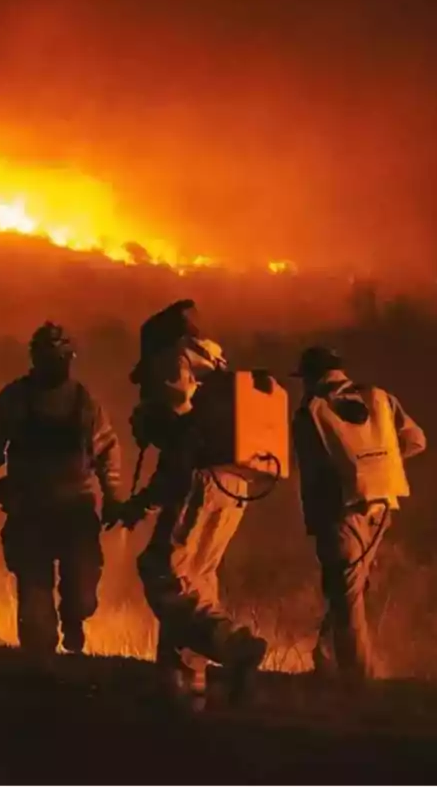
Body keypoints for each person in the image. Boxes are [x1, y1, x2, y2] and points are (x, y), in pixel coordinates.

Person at [112, 299, 268, 709]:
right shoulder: (215, 367)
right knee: (196, 578)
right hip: (237, 481)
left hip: (202, 479)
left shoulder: (173, 361)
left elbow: (180, 442)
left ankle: (236, 647)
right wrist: (142, 505)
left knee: (164, 572)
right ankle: (183, 683)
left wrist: (151, 425)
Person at [0, 322, 125, 659]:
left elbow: (106, 451)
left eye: (60, 356)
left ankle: (73, 621)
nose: (55, 363)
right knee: (35, 599)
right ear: (36, 359)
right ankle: (40, 672)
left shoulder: (85, 404)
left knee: (82, 593)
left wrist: (113, 496)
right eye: (48, 356)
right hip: (30, 510)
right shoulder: (16, 399)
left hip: (75, 510)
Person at [290, 345, 426, 686]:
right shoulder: (379, 397)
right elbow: (416, 441)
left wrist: (318, 519)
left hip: (341, 513)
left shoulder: (312, 410)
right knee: (349, 590)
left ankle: (358, 682)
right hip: (382, 508)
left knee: (347, 598)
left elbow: (312, 472)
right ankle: (325, 660)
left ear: (312, 377)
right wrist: (379, 467)